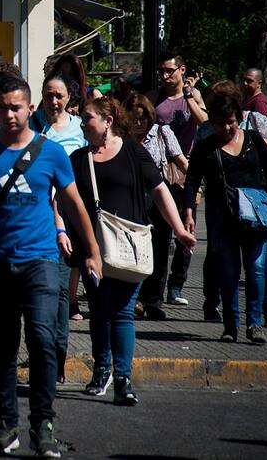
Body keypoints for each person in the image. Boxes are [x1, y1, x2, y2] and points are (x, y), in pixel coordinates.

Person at [0, 77, 102, 457]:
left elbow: (74, 203)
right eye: (3, 107)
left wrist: (92, 250)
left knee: (42, 340)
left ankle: (43, 424)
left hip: (40, 261)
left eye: (16, 107)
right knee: (3, 347)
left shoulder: (51, 153)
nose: (9, 114)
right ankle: (6, 425)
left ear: (29, 108)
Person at [70, 96, 195, 405]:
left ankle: (123, 379)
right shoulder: (79, 158)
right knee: (100, 311)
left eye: (88, 119)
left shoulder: (133, 152)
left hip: (129, 245)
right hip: (93, 250)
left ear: (108, 121)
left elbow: (160, 190)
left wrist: (179, 229)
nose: (83, 124)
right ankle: (102, 369)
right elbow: (64, 201)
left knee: (123, 312)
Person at [184, 92, 267, 345]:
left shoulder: (253, 139)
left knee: (256, 269)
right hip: (222, 219)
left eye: (231, 122)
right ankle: (230, 325)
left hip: (255, 219)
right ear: (212, 123)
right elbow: (192, 180)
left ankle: (255, 323)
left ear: (239, 119)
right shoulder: (205, 147)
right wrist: (189, 212)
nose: (226, 128)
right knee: (228, 272)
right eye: (220, 123)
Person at [32, 73, 88, 383]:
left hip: (69, 217)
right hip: (37, 219)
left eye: (59, 95)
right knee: (39, 293)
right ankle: (43, 354)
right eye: (48, 95)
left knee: (62, 292)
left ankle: (59, 357)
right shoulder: (32, 125)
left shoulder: (80, 128)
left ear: (69, 98)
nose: (53, 101)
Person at [124, 93, 188, 321]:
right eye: (133, 118)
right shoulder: (122, 138)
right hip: (132, 199)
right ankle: (135, 298)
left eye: (142, 118)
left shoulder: (162, 132)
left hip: (159, 198)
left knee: (160, 251)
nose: (138, 123)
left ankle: (154, 301)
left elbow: (182, 161)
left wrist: (194, 189)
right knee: (134, 251)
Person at [150, 51, 207, 307]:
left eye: (169, 71)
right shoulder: (155, 98)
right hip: (161, 172)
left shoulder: (192, 96)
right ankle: (155, 291)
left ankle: (177, 285)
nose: (164, 76)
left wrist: (188, 96)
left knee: (186, 229)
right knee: (160, 234)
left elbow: (204, 122)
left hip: (187, 172)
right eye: (161, 71)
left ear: (182, 70)